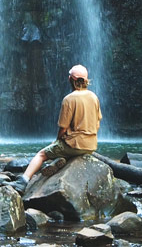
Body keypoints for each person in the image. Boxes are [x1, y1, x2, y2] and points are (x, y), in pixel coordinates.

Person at [12, 64, 101, 192]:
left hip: (74, 145)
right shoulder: (94, 97)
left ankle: (22, 182)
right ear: (86, 80)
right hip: (90, 146)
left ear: (71, 79)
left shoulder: (69, 99)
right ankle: (61, 160)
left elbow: (63, 129)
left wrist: (58, 141)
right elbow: (97, 123)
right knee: (64, 150)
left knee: (42, 154)